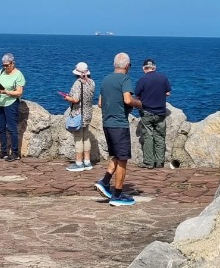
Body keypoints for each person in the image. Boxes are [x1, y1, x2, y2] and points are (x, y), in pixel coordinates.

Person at [95, 53, 142, 206]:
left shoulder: (105, 79)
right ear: (127, 66)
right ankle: (117, 195)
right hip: (119, 124)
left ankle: (104, 181)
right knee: (123, 159)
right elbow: (127, 99)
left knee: (116, 155)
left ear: (114, 65)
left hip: (107, 123)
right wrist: (140, 104)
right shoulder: (125, 79)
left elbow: (101, 103)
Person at [134, 58, 172, 169]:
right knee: (160, 137)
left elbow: (137, 95)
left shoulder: (142, 80)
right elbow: (168, 93)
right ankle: (160, 162)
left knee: (148, 137)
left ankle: (149, 162)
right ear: (154, 67)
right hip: (160, 112)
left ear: (143, 68)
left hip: (147, 112)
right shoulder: (163, 78)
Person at [0, 53, 26, 161]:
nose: (5, 67)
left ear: (13, 63)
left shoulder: (18, 75)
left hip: (11, 103)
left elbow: (19, 92)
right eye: (3, 65)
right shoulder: (1, 72)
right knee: (1, 128)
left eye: (7, 65)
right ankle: (3, 151)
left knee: (12, 128)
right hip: (0, 103)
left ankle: (15, 153)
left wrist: (5, 91)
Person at [63, 62, 96, 172]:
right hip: (88, 113)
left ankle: (79, 163)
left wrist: (67, 98)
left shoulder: (78, 83)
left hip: (78, 114)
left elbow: (76, 99)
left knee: (78, 138)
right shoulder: (91, 83)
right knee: (86, 137)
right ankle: (87, 161)